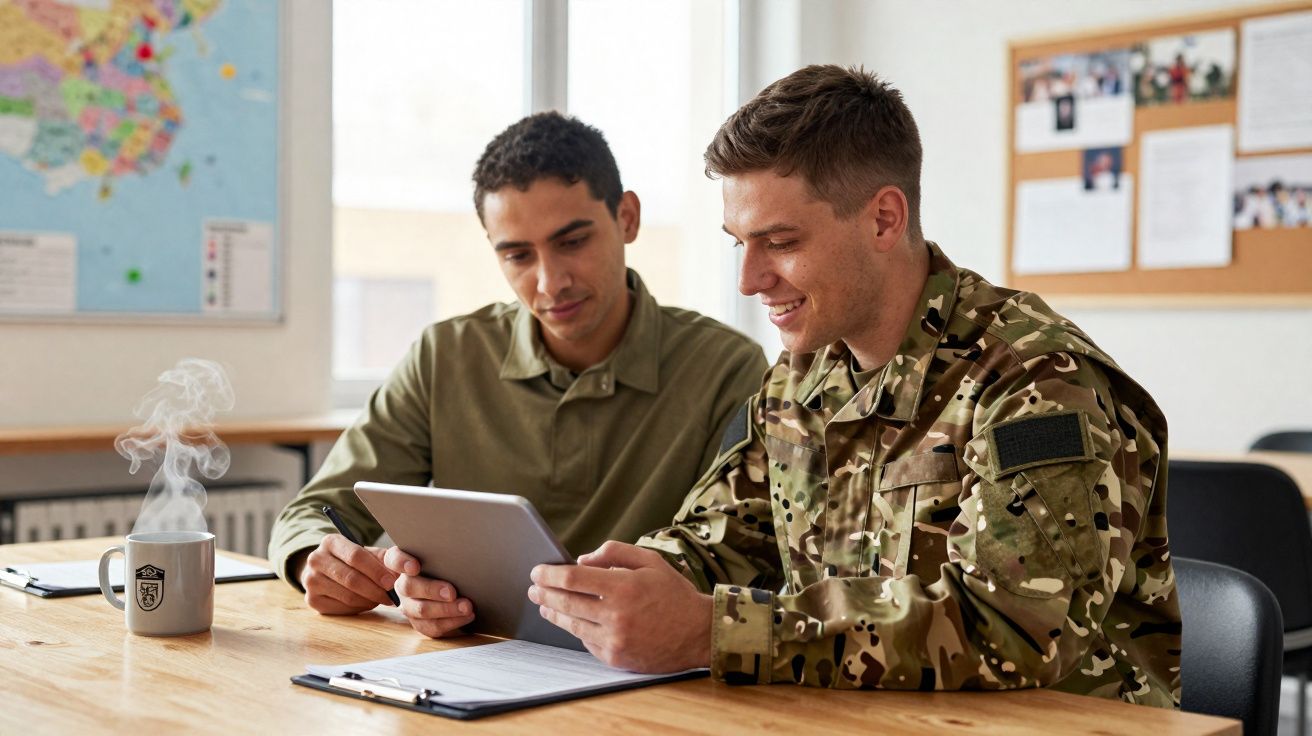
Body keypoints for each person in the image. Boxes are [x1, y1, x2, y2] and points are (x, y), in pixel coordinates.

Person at [528, 65, 1180, 709]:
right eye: (739, 245)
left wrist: (715, 631)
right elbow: (724, 540)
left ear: (883, 220)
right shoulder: (801, 376)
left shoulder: (1036, 380)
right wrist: (595, 590)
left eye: (779, 242)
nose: (750, 280)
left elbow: (1015, 624)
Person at [268, 112, 768, 638]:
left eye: (572, 242)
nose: (550, 283)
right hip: (468, 661)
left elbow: (738, 560)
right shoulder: (445, 356)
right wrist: (318, 565)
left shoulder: (726, 367)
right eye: (518, 255)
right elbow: (314, 512)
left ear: (627, 218)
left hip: (643, 674)